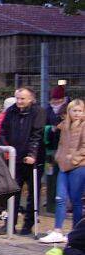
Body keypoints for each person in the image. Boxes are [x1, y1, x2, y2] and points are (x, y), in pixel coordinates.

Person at [0, 87, 47, 236]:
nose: (19, 101)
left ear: (31, 99)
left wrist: (32, 154)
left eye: (22, 99)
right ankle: (10, 223)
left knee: (33, 193)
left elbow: (37, 134)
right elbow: (3, 131)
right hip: (14, 158)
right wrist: (5, 149)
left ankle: (28, 224)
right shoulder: (11, 111)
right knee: (13, 192)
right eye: (17, 98)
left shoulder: (38, 112)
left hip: (32, 159)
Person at [40, 100, 85, 244]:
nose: (77, 114)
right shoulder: (64, 126)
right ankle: (57, 230)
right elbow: (61, 144)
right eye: (74, 111)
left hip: (78, 166)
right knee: (60, 198)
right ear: (69, 112)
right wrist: (59, 157)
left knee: (76, 200)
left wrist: (74, 158)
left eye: (80, 111)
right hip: (63, 166)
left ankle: (75, 232)